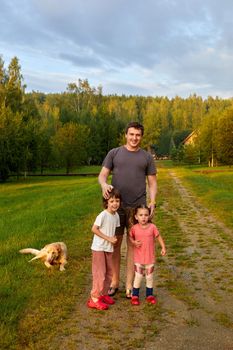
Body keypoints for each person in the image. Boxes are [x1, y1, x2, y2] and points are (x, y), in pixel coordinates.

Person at [98, 121, 157, 298]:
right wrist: (103, 185)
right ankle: (115, 282)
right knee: (115, 244)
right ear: (126, 134)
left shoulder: (147, 157)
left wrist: (153, 201)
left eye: (138, 135)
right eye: (131, 134)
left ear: (141, 136)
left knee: (133, 245)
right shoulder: (114, 153)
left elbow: (152, 182)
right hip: (115, 208)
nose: (134, 138)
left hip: (137, 209)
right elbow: (102, 175)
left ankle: (130, 284)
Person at [87, 188, 121, 310]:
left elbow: (114, 230)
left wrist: (114, 239)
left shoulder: (116, 216)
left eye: (117, 201)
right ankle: (94, 299)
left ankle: (104, 294)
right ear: (106, 202)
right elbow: (94, 229)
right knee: (99, 274)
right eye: (111, 201)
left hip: (108, 248)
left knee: (109, 273)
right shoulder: (103, 215)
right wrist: (108, 239)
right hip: (99, 248)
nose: (115, 203)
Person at [129, 205, 166, 305]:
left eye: (146, 215)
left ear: (149, 216)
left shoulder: (152, 227)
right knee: (138, 276)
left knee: (149, 277)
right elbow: (130, 237)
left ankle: (149, 295)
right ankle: (135, 295)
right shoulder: (134, 228)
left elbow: (158, 236)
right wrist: (133, 242)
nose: (143, 217)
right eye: (141, 215)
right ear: (136, 217)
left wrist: (163, 247)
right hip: (138, 258)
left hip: (150, 258)